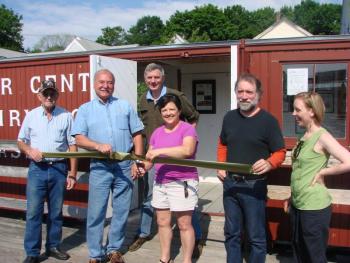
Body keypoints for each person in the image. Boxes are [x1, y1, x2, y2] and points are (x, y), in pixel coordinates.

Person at [129, 63, 203, 258]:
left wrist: (183, 132)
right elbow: (146, 140)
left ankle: (194, 244)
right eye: (149, 78)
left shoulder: (177, 98)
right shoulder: (143, 102)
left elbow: (189, 141)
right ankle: (160, 252)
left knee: (184, 220)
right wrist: (140, 164)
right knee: (159, 215)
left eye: (156, 77)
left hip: (181, 176)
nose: (153, 81)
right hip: (158, 168)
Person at [71, 69, 144, 263]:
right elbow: (78, 138)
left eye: (110, 82)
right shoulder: (85, 109)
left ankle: (114, 250)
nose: (106, 86)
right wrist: (97, 145)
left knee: (121, 212)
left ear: (114, 85)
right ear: (95, 84)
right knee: (96, 212)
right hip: (100, 167)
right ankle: (95, 254)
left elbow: (137, 134)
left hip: (124, 166)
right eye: (102, 82)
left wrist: (137, 160)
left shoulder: (125, 106)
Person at [217, 73, 286, 263]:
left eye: (249, 91)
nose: (244, 96)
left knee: (256, 237)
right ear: (236, 93)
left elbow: (280, 152)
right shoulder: (229, 117)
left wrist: (270, 162)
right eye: (240, 91)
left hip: (254, 187)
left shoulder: (268, 121)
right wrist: (221, 165)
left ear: (258, 94)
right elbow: (222, 143)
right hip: (230, 184)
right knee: (232, 233)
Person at [285, 91, 350, 263]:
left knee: (313, 256)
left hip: (314, 208)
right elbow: (300, 170)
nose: (293, 114)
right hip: (299, 204)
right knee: (299, 251)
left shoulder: (322, 136)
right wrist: (292, 196)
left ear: (312, 111)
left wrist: (323, 172)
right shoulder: (304, 136)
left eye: (297, 110)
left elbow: (348, 161)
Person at [18, 79, 78, 263]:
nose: (49, 97)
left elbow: (72, 146)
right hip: (37, 169)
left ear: (57, 95)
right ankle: (32, 252)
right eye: (46, 93)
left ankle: (53, 246)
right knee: (33, 212)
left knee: (56, 212)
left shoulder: (66, 116)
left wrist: (73, 173)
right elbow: (20, 140)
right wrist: (29, 151)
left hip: (59, 168)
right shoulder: (31, 116)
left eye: (52, 93)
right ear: (39, 96)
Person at [145, 94, 199, 263]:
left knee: (184, 224)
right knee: (162, 222)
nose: (168, 113)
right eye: (164, 110)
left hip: (182, 182)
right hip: (161, 182)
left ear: (179, 110)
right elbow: (149, 158)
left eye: (172, 109)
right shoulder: (156, 132)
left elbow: (187, 150)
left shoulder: (187, 129)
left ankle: (187, 260)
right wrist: (141, 166)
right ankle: (165, 258)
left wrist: (159, 152)